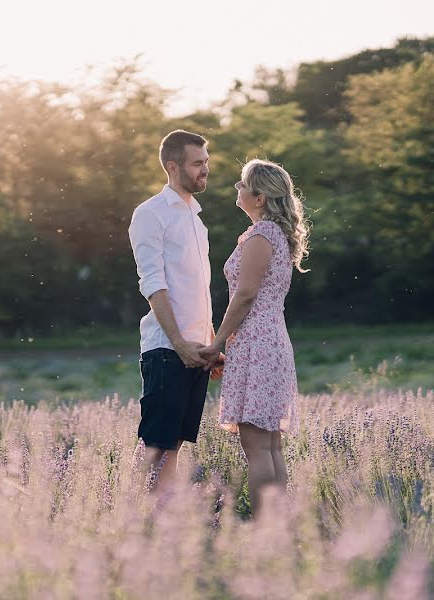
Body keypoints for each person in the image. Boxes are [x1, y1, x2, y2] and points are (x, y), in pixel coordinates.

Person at [198, 158, 310, 516]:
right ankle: (276, 525)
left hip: (257, 341)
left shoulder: (262, 235)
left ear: (259, 198)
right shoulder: (274, 234)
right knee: (269, 444)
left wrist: (217, 343)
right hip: (270, 338)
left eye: (242, 184)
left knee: (258, 446)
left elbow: (245, 295)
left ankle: (266, 530)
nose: (237, 188)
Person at [127, 129, 222, 495]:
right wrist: (179, 342)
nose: (205, 170)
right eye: (197, 163)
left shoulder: (196, 220)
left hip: (197, 349)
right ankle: (128, 515)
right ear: (173, 166)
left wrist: (209, 344)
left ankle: (163, 522)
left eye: (206, 163)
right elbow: (153, 284)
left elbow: (195, 290)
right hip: (167, 348)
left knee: (176, 446)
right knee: (156, 444)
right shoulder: (151, 213)